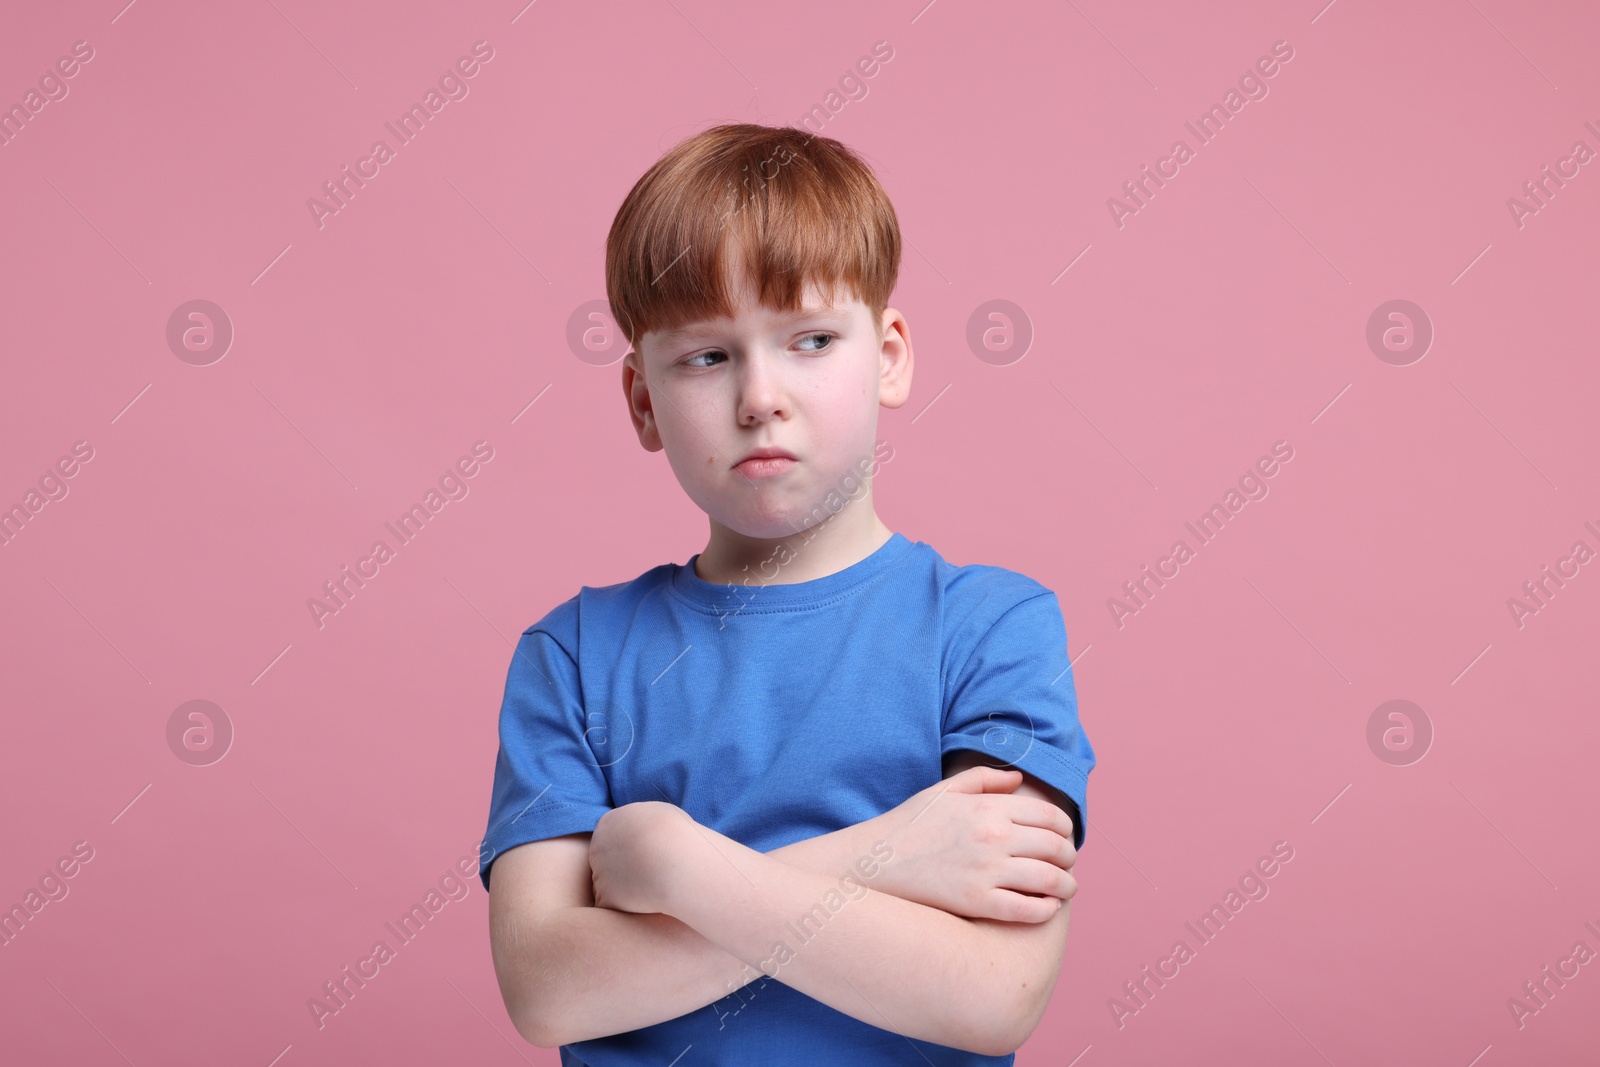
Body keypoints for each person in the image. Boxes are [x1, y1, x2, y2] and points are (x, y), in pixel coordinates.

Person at [478, 122, 1096, 1065]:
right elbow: (549, 989)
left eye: (810, 339)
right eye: (707, 356)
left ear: (887, 356)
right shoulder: (572, 655)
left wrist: (676, 869)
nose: (760, 395)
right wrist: (886, 854)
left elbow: (991, 995)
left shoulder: (991, 628)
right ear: (642, 399)